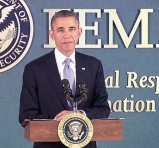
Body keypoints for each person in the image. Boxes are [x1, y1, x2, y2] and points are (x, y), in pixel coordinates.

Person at [19, 10, 110, 148]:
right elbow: (26, 115)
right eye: (60, 30)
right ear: (52, 35)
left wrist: (79, 114)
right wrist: (61, 122)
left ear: (79, 32)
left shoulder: (94, 65)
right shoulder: (34, 69)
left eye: (72, 29)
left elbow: (103, 108)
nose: (67, 35)